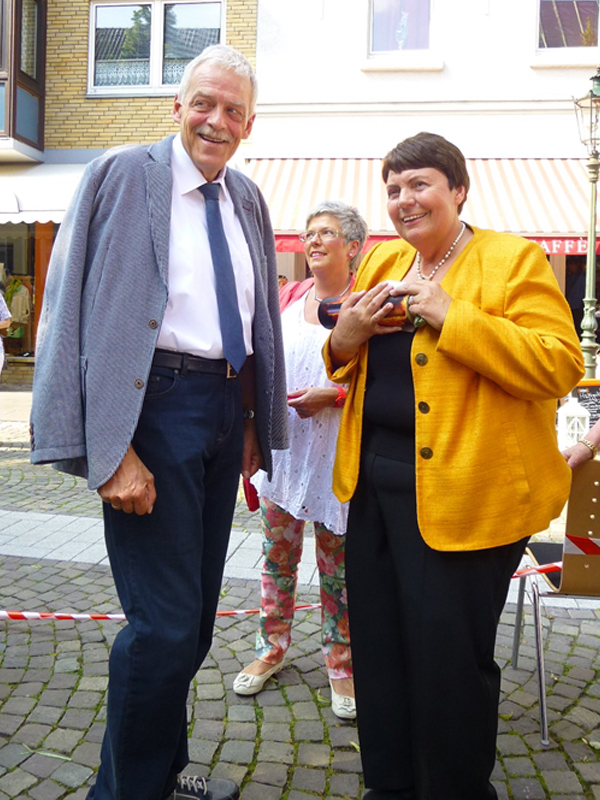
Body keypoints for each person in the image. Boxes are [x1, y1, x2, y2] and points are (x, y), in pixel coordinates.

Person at [30, 45, 287, 800]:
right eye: (203, 103)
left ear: (249, 125)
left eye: (233, 110)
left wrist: (250, 416)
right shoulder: (119, 173)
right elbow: (65, 307)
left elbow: (255, 318)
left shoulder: (246, 197)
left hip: (221, 409)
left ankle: (163, 774)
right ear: (177, 106)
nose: (216, 120)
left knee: (194, 624)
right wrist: (107, 451)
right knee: (164, 626)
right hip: (154, 406)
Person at [324, 132, 584, 800]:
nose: (404, 200)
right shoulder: (384, 259)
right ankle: (389, 787)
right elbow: (350, 357)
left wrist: (451, 314)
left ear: (458, 190)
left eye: (420, 184)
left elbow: (559, 363)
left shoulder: (511, 260)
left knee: (448, 660)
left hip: (470, 498)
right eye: (393, 189)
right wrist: (343, 340)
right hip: (374, 491)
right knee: (379, 649)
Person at [233, 201, 367, 718]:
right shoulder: (288, 296)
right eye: (309, 233)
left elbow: (380, 382)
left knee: (339, 571)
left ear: (352, 246)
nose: (313, 241)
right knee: (277, 560)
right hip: (285, 456)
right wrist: (251, 426)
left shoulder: (366, 304)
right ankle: (271, 648)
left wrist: (333, 396)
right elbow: (260, 363)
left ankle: (341, 664)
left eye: (326, 233)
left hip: (337, 459)